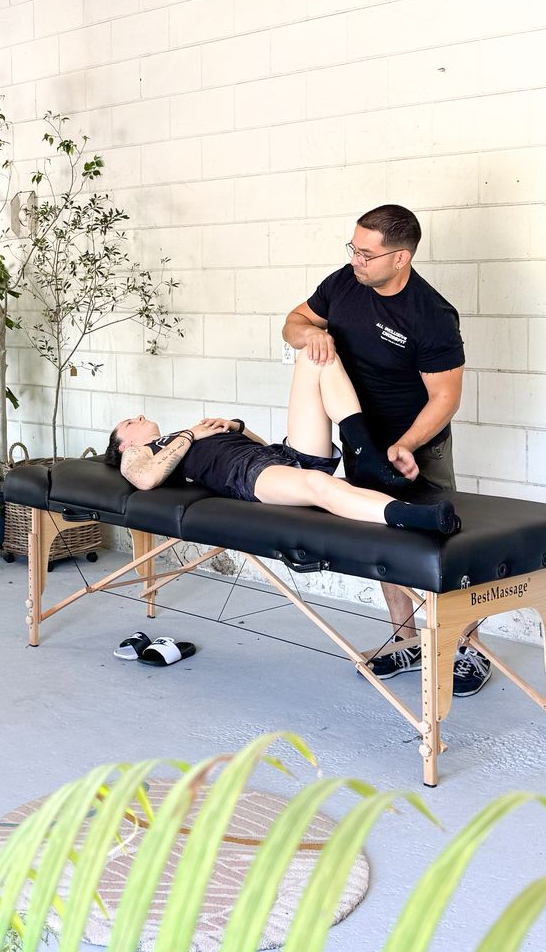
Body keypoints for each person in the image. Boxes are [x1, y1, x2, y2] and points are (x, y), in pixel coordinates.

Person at [282, 203, 490, 697]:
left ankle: (469, 651)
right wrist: (312, 333)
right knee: (383, 542)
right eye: (353, 247)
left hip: (418, 444)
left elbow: (446, 398)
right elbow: (293, 321)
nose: (356, 259)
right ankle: (407, 641)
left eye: (367, 253)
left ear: (400, 259)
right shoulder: (345, 283)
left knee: (441, 548)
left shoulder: (432, 315)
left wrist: (407, 444)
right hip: (362, 442)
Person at [103, 353, 461, 537]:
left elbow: (255, 445)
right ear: (124, 444)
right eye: (127, 423)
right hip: (247, 478)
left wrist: (236, 427)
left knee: (314, 355)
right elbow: (146, 480)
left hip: (276, 456)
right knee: (320, 485)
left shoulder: (179, 437)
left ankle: (366, 451)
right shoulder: (139, 453)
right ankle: (409, 517)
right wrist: (192, 435)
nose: (136, 416)